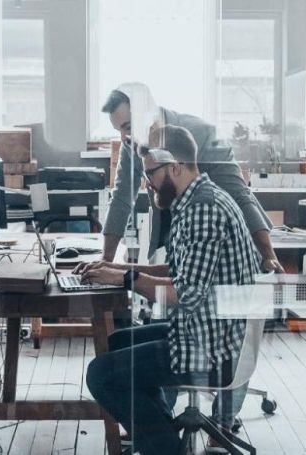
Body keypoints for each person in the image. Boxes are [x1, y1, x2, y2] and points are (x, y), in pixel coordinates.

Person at [82, 125, 261, 455]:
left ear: (175, 167)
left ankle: (163, 446)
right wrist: (120, 269)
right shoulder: (197, 200)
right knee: (115, 343)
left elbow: (185, 293)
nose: (146, 183)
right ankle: (161, 437)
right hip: (212, 330)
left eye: (150, 173)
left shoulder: (204, 209)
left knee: (101, 374)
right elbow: (180, 271)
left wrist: (123, 281)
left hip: (215, 347)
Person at [78, 82, 282, 273]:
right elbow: (122, 199)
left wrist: (267, 254)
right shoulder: (131, 144)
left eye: (128, 127)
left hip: (219, 234)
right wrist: (106, 260)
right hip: (175, 232)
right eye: (118, 130)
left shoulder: (203, 134)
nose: (124, 138)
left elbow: (239, 194)